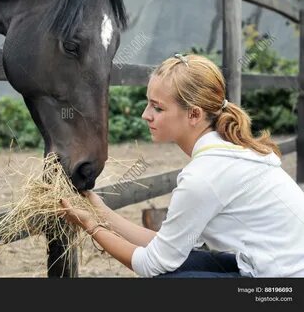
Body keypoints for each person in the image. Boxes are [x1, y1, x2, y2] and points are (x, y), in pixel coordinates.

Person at [60, 54, 304, 278]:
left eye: (158, 107)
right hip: (273, 271)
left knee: (171, 280)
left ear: (194, 115)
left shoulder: (205, 176)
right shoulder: (226, 152)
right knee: (179, 263)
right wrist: (100, 211)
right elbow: (165, 247)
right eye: (148, 104)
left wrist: (90, 226)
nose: (146, 114)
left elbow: (150, 265)